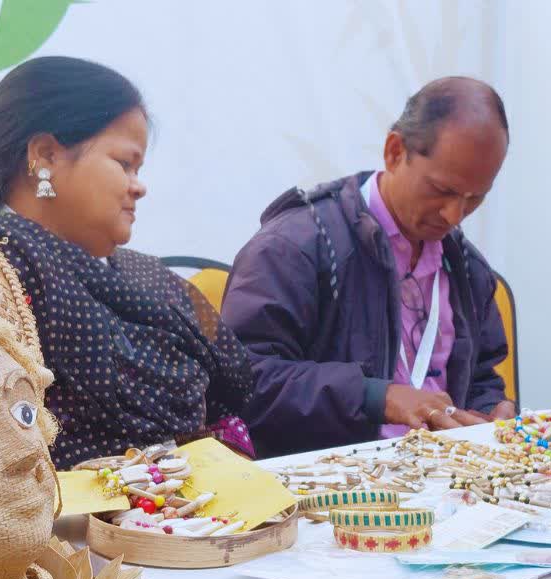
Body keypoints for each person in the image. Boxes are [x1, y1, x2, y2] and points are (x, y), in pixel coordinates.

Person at [0, 56, 254, 469]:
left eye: (138, 168)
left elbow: (236, 381)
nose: (139, 187)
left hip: (184, 514)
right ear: (45, 157)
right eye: (124, 163)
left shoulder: (144, 273)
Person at [221, 76, 517, 457]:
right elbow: (244, 381)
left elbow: (481, 375)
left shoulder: (466, 267)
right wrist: (377, 397)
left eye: (475, 198)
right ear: (394, 151)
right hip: (328, 491)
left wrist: (492, 410)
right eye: (442, 190)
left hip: (444, 482)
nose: (454, 214)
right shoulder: (296, 246)